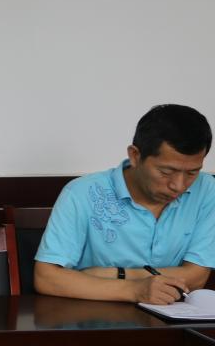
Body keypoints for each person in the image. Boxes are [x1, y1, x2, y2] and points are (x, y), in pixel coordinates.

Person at [35, 104, 215, 304]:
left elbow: (196, 276)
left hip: (172, 317)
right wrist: (134, 289)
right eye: (166, 172)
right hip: (93, 316)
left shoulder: (207, 190)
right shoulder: (81, 193)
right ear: (135, 156)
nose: (178, 185)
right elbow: (46, 278)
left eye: (192, 172)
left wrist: (115, 274)